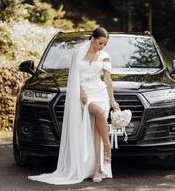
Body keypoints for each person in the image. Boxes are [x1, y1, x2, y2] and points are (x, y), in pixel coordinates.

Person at [28, 27, 120, 184]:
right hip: (86, 94)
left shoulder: (104, 57)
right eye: (99, 43)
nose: (101, 47)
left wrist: (112, 100)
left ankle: (98, 169)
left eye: (104, 44)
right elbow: (74, 78)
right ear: (92, 39)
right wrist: (81, 92)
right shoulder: (78, 55)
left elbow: (107, 80)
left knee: (96, 131)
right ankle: (108, 145)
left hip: (100, 93)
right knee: (98, 113)